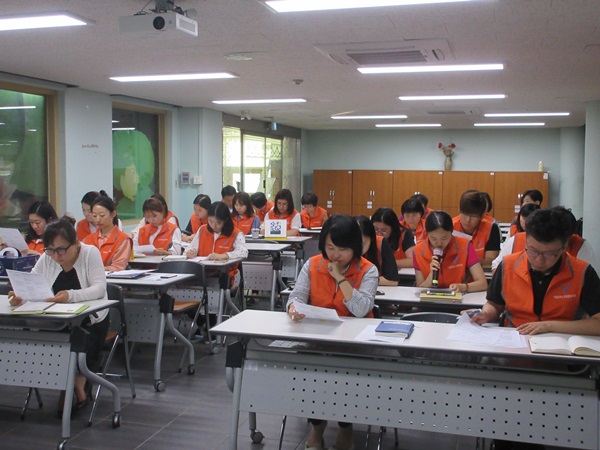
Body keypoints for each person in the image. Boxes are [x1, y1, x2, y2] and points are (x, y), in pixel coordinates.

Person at [287, 214, 378, 450]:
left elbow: (361, 309)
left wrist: (340, 278)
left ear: (355, 247)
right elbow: (296, 296)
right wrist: (293, 308)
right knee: (312, 379)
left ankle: (345, 428)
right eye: (330, 247)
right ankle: (317, 426)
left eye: (342, 249)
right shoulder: (312, 264)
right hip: (318, 340)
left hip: (353, 345)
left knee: (346, 383)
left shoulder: (368, 270)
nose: (335, 255)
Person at [9, 217, 109, 411]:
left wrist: (70, 296)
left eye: (61, 250)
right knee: (42, 340)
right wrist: (20, 297)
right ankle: (68, 380)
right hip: (57, 320)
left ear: (75, 244)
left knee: (81, 337)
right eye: (50, 250)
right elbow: (32, 282)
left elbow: (99, 289)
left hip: (91, 320)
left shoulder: (89, 253)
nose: (56, 256)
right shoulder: (48, 257)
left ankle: (77, 380)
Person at [467, 207, 600, 336]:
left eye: (549, 254)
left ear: (564, 246)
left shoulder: (582, 272)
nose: (539, 260)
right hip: (514, 338)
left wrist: (548, 326)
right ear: (526, 241)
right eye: (533, 251)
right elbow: (494, 304)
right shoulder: (508, 266)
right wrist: (486, 314)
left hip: (561, 341)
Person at [414, 211, 487, 292]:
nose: (439, 243)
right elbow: (418, 289)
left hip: (461, 297)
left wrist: (463, 287)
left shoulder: (465, 246)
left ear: (452, 232)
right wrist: (431, 277)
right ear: (426, 233)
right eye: (433, 238)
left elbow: (483, 284)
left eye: (444, 238)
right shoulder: (418, 251)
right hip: (431, 298)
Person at [185, 201, 248, 271]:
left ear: (225, 220)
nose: (213, 226)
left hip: (224, 273)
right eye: (210, 221)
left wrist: (225, 255)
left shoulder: (236, 234)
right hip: (202, 271)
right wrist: (190, 252)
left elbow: (243, 252)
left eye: (218, 223)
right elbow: (190, 248)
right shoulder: (202, 229)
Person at [452, 190, 500, 268]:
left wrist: (466, 260)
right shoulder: (450, 226)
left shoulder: (491, 228)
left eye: (473, 216)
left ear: (482, 216)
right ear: (459, 210)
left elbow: (491, 260)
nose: (468, 220)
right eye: (465, 214)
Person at [83, 195, 132, 272]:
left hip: (112, 278)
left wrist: (95, 270)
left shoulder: (123, 240)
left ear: (113, 214)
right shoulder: (88, 239)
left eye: (102, 215)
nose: (98, 219)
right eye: (94, 216)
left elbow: (118, 267)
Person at [491, 203, 541, 271]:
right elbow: (497, 263)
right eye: (523, 218)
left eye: (529, 219)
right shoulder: (514, 237)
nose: (525, 222)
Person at [355, 215, 399, 286]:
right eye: (354, 243)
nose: (358, 248)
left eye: (363, 243)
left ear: (372, 239)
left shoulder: (381, 243)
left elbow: (392, 280)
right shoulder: (341, 249)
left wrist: (364, 280)